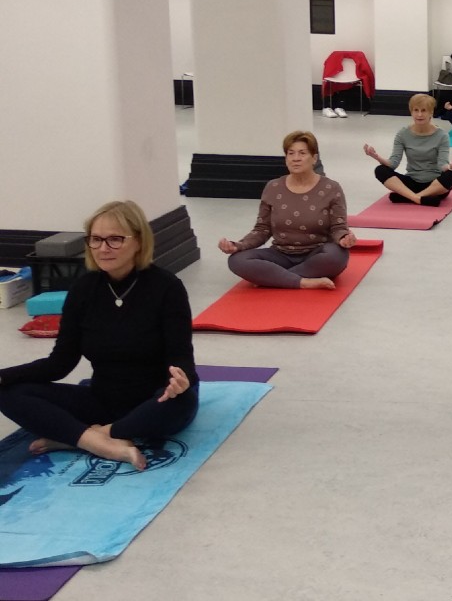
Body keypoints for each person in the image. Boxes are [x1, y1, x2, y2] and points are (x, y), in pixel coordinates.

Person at [0, 201, 198, 471]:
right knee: (9, 392)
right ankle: (98, 441)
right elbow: (59, 363)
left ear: (139, 241)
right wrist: (4, 376)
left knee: (178, 402)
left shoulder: (167, 287)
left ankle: (85, 436)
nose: (103, 248)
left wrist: (180, 382)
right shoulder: (83, 289)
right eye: (96, 239)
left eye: (115, 239)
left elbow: (181, 358)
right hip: (103, 400)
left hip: (155, 400)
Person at [219, 130, 357, 289]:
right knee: (237, 260)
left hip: (317, 253)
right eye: (291, 153)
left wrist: (344, 238)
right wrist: (238, 245)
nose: (295, 158)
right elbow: (262, 229)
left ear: (314, 158)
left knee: (336, 256)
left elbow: (338, 227)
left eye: (302, 153)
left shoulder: (331, 188)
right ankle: (303, 282)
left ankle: (274, 278)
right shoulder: (273, 187)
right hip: (280, 254)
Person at [363, 93, 452, 206]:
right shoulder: (403, 134)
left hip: (434, 185)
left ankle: (408, 197)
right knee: (380, 170)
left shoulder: (442, 135)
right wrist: (376, 157)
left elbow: (442, 165)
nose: (419, 114)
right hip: (411, 182)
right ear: (411, 112)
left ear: (431, 112)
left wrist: (450, 167)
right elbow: (393, 163)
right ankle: (417, 198)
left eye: (424, 110)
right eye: (416, 110)